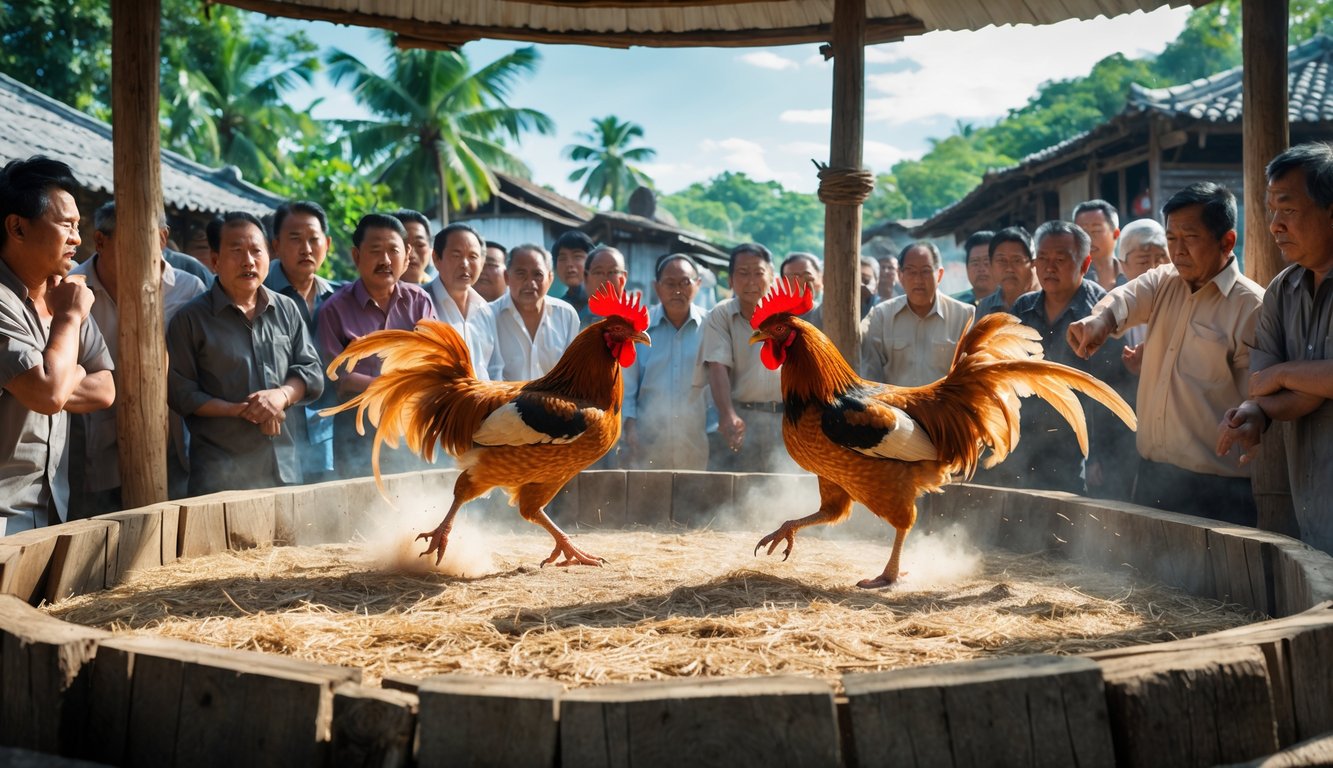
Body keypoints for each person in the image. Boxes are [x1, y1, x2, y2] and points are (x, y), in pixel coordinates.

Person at [1068, 182, 1262, 524]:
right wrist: (1098, 321)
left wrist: (1250, 416)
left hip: (1218, 490)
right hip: (1154, 477)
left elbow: (1258, 396)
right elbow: (1125, 299)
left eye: (1190, 237)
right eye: (1172, 238)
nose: (1178, 250)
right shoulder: (1163, 281)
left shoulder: (1250, 307)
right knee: (1144, 576)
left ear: (1226, 241)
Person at [1217, 142, 1333, 553]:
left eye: (1288, 209)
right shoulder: (1284, 289)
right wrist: (1254, 412)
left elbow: (1272, 378)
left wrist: (1285, 374)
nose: (1274, 225)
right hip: (1314, 504)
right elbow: (1260, 386)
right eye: (1271, 211)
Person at [166, 211, 324, 496]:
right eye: (236, 251)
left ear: (268, 256)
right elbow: (181, 393)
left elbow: (311, 371)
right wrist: (243, 410)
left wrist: (280, 396)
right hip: (219, 475)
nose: (248, 261)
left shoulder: (286, 309)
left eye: (255, 251)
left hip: (285, 469)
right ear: (215, 261)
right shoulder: (190, 320)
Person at [0, 157, 114, 534]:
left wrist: (57, 378)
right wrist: (68, 320)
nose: (78, 239)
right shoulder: (56, 303)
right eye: (66, 225)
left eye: (78, 226)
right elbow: (49, 394)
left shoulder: (64, 292)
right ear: (17, 227)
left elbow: (106, 388)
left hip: (52, 507)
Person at [69, 201, 206, 515]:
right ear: (100, 241)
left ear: (163, 237)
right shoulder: (73, 288)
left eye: (151, 240)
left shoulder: (188, 288)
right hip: (91, 445)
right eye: (130, 243)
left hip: (173, 439)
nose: (143, 253)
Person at [987, 221, 1127, 495]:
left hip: (1079, 446)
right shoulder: (1023, 308)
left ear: (1085, 264)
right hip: (1025, 442)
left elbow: (1110, 392)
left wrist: (1098, 454)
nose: (1049, 268)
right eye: (1042, 259)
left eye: (1060, 260)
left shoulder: (1101, 313)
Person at [318, 213, 437, 477]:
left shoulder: (419, 302)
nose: (385, 260)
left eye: (393, 250)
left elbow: (433, 363)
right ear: (356, 256)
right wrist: (398, 385)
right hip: (357, 430)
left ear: (406, 255)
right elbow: (340, 379)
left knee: (419, 502)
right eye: (375, 251)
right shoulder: (334, 310)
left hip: (410, 426)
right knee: (358, 510)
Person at [698, 242, 796, 473]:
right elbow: (717, 366)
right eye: (743, 273)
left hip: (789, 419)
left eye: (758, 273)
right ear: (730, 280)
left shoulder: (789, 314)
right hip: (742, 418)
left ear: (771, 276)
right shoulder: (721, 314)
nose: (751, 281)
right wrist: (727, 414)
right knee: (736, 493)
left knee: (788, 490)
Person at [266, 200, 340, 483]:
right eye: (295, 239)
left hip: (327, 435)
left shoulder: (337, 298)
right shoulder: (259, 295)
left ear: (328, 244)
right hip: (274, 432)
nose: (306, 249)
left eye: (313, 239)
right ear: (276, 245)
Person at [622, 254, 712, 471]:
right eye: (670, 284)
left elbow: (720, 382)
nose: (677, 290)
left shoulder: (712, 327)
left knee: (695, 501)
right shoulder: (639, 329)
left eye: (685, 282)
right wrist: (630, 427)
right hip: (647, 439)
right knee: (647, 500)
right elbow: (628, 387)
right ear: (657, 287)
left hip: (697, 438)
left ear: (697, 285)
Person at [861, 241, 974, 387]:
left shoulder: (964, 316)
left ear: (939, 275)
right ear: (900, 276)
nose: (918, 279)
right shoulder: (882, 315)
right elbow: (871, 374)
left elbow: (970, 377)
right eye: (911, 271)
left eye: (926, 271)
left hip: (943, 408)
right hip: (894, 408)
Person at [490, 243, 579, 381]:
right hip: (504, 402)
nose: (530, 283)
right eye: (521, 274)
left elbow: (573, 373)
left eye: (538, 275)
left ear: (550, 278)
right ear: (507, 277)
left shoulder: (566, 315)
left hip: (555, 402)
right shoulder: (489, 315)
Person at [426, 222, 501, 380]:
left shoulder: (486, 310)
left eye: (473, 256)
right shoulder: (419, 303)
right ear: (436, 258)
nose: (465, 264)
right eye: (456, 255)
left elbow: (494, 369)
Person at [1115, 218, 1170, 373]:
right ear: (1123, 265)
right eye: (1143, 261)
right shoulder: (1113, 307)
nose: (1154, 270)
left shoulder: (1187, 300)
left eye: (1160, 260)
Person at [978, 226, 1039, 317]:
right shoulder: (985, 307)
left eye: (1017, 260)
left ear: (1032, 264)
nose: (1009, 268)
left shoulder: (1046, 305)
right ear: (990, 265)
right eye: (1001, 260)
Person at [1074, 199, 1124, 292]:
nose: (1088, 239)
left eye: (1096, 231)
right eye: (1082, 233)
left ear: (1115, 234)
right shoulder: (1068, 280)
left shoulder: (1132, 274)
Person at [578, 245, 628, 326]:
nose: (606, 279)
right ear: (586, 277)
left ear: (624, 277)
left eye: (613, 272)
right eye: (598, 272)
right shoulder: (574, 321)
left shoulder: (638, 322)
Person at [552, 230, 594, 318]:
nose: (569, 264)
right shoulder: (556, 309)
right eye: (562, 258)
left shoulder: (607, 305)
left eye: (577, 257)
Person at [781, 252, 824, 329]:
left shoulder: (823, 311)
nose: (800, 281)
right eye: (792, 277)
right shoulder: (774, 319)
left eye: (806, 274)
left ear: (820, 278)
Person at [954, 230, 996, 305]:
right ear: (967, 268)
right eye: (975, 263)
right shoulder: (956, 306)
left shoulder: (1013, 304)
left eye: (987, 262)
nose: (981, 269)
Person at [392, 209, 432, 285]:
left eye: (420, 245)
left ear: (430, 249)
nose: (411, 255)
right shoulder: (372, 293)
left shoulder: (439, 292)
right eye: (403, 245)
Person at [858, 255, 882, 319]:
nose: (859, 284)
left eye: (866, 280)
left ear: (876, 285)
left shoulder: (882, 311)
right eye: (855, 280)